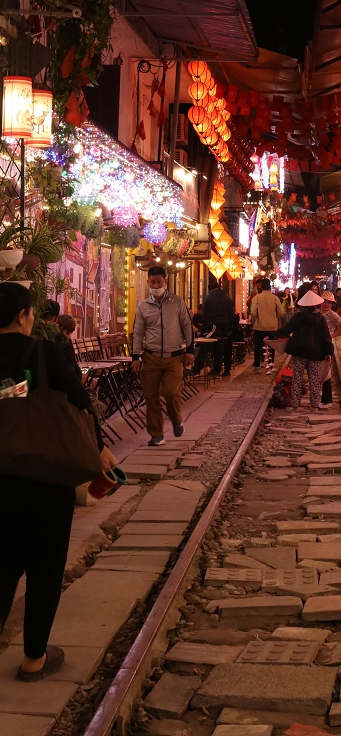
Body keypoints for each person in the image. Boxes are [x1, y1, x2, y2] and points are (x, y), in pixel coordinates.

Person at [0, 282, 116, 682]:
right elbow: (82, 401)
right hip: (47, 479)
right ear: (22, 316)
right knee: (45, 568)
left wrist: (14, 393)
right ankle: (34, 658)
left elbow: (10, 394)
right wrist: (99, 450)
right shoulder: (44, 352)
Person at [131, 265, 194, 447]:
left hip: (174, 357)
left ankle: (176, 420)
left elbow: (187, 326)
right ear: (148, 282)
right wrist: (135, 356)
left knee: (170, 393)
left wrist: (190, 350)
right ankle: (156, 434)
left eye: (159, 281)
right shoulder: (143, 307)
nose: (156, 284)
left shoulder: (177, 302)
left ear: (165, 282)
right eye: (152, 281)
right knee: (151, 397)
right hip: (150, 358)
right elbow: (137, 332)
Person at [277, 290, 333, 408]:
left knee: (297, 379)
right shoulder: (320, 318)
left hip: (299, 352)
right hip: (315, 353)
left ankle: (295, 405)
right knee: (314, 380)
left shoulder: (298, 317)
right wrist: (328, 352)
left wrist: (273, 334)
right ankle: (314, 406)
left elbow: (286, 329)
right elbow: (326, 337)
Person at [193, 278, 234, 378]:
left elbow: (205, 313)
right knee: (222, 347)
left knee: (205, 344)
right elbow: (231, 313)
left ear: (209, 289)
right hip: (225, 326)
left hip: (213, 325)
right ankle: (224, 370)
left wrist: (204, 326)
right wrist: (230, 328)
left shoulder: (209, 297)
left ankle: (197, 369)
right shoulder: (226, 297)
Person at [319, 290, 341, 407]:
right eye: (325, 301)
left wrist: (332, 335)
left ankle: (327, 400)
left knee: (326, 371)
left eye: (330, 303)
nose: (327, 304)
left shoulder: (332, 315)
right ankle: (317, 397)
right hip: (316, 345)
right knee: (316, 370)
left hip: (326, 345)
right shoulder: (316, 312)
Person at [249, 278, 283, 370]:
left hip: (259, 326)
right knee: (271, 346)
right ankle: (270, 364)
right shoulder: (275, 298)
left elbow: (253, 313)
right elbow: (281, 312)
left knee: (258, 346)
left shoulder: (256, 298)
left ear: (262, 287)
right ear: (270, 287)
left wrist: (253, 321)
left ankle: (257, 365)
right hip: (272, 326)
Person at [55, 314, 81, 380]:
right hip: (67, 379)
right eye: (68, 333)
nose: (68, 336)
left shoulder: (51, 339)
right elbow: (72, 362)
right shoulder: (66, 342)